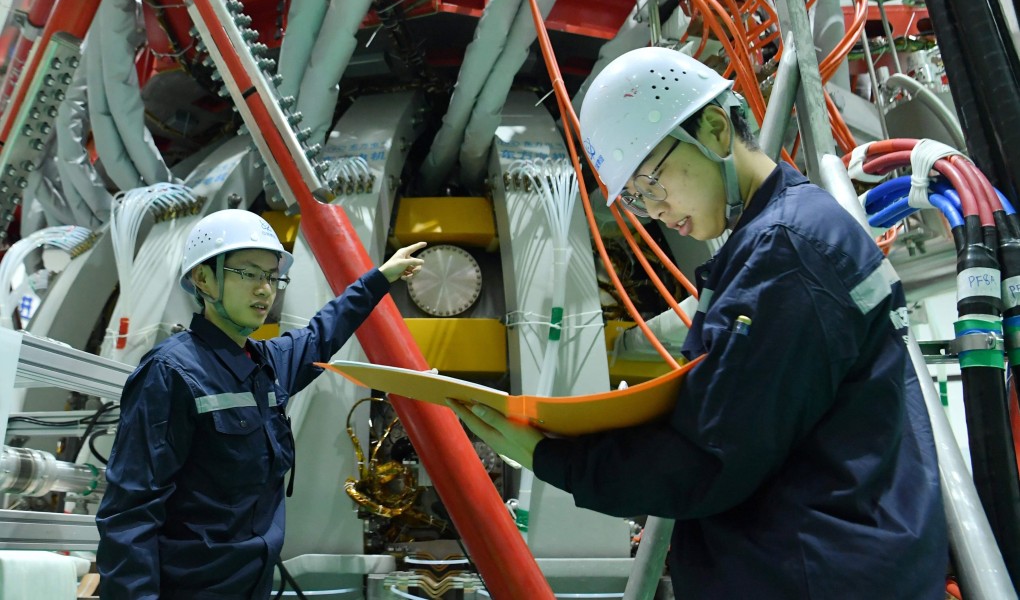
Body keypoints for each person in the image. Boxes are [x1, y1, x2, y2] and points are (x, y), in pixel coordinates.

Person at [452, 46, 948, 598]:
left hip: (816, 571)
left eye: (651, 183)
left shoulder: (786, 251)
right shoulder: (779, 239)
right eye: (638, 201)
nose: (655, 210)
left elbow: (712, 459)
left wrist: (550, 457)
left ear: (714, 128)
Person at [95, 208, 425, 599]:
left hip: (252, 585)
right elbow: (131, 511)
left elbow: (323, 332)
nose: (265, 289)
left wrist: (379, 279)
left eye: (272, 276)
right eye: (249, 273)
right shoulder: (170, 373)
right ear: (203, 278)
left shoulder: (265, 365)